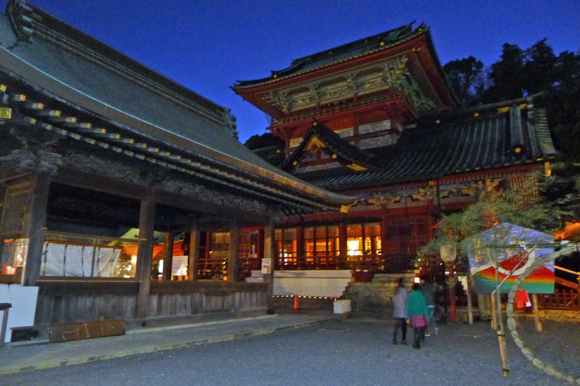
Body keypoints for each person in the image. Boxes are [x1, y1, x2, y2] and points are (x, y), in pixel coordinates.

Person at [407, 283, 430, 349]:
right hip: (420, 314)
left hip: (412, 314)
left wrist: (407, 316)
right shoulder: (421, 295)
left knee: (415, 329)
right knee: (419, 330)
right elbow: (424, 306)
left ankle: (416, 342)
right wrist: (427, 317)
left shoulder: (410, 295)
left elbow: (407, 306)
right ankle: (416, 343)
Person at [392, 278, 407, 345]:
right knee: (404, 325)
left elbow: (393, 300)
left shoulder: (396, 290)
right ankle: (403, 340)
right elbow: (406, 299)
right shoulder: (403, 290)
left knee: (397, 325)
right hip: (402, 309)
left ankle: (394, 339)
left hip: (397, 309)